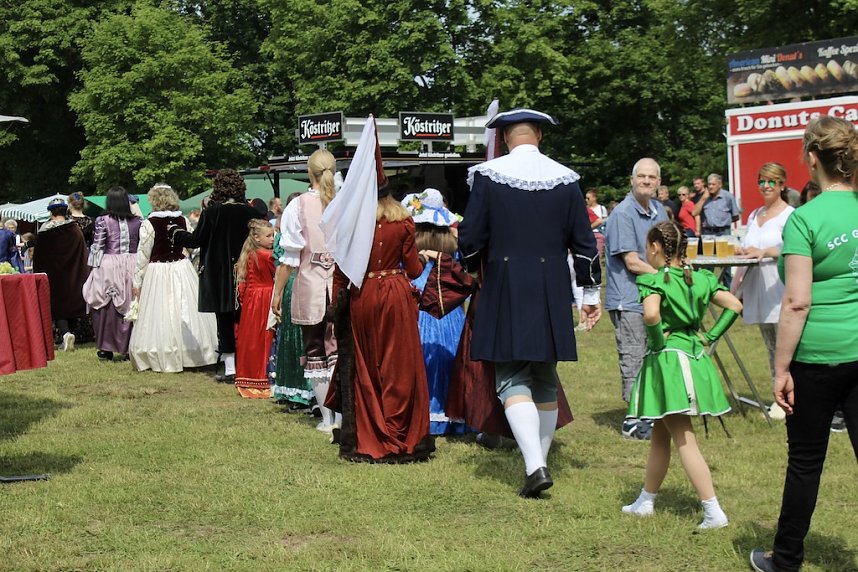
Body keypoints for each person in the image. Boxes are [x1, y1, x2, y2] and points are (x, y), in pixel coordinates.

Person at [458, 108, 601, 497]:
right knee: (543, 376)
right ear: (540, 134)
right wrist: (590, 294)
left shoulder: (488, 176)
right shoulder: (566, 179)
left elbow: (470, 237)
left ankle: (535, 465)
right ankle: (537, 462)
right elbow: (585, 245)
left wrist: (472, 268)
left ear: (505, 137)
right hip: (551, 285)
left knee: (511, 376)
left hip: (504, 283)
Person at [750, 116, 858, 572]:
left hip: (815, 359)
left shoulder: (805, 219)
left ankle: (786, 559)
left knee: (806, 462)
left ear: (812, 158)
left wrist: (780, 370)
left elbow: (796, 303)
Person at [622, 221, 741, 530]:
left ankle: (713, 510)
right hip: (693, 357)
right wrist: (709, 336)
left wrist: (657, 344)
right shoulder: (700, 278)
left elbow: (651, 314)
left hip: (671, 364)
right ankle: (646, 500)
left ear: (655, 247)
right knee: (660, 435)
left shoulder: (654, 280)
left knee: (684, 438)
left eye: (647, 247)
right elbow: (734, 304)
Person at [331, 184, 433, 462]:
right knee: (398, 364)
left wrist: (335, 307)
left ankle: (373, 430)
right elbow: (413, 270)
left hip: (363, 295)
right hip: (395, 295)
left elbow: (340, 272)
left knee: (368, 362)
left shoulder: (353, 224)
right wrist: (422, 258)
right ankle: (398, 428)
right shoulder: (403, 222)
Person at [170, 169, 263, 381]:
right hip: (246, 272)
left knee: (224, 320)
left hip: (218, 275)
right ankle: (249, 364)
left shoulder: (212, 213)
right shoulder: (251, 213)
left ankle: (230, 368)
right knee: (246, 319)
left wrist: (175, 233)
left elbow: (195, 240)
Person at [272, 150, 339, 432]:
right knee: (340, 349)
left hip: (311, 285)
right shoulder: (345, 202)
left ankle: (328, 419)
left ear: (309, 172)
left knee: (315, 351)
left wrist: (277, 294)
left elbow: (288, 259)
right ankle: (343, 417)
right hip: (342, 286)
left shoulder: (297, 206)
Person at [604, 158, 669, 440]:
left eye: (651, 177)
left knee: (654, 355)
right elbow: (631, 261)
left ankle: (650, 412)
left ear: (658, 182)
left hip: (653, 295)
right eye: (641, 176)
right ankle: (632, 420)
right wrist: (665, 276)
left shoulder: (659, 210)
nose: (646, 181)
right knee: (633, 356)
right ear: (632, 180)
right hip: (629, 298)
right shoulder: (623, 213)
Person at [402, 189, 470, 436]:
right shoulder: (452, 246)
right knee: (451, 357)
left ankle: (424, 411)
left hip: (420, 302)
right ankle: (453, 412)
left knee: (420, 357)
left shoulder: (410, 245)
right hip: (449, 307)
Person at [130, 184, 217, 372]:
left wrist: (137, 280)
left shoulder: (149, 223)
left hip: (158, 270)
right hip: (181, 267)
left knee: (162, 311)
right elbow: (192, 245)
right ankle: (189, 351)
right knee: (184, 308)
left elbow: (143, 254)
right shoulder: (182, 219)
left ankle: (164, 350)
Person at [735, 163, 794, 420]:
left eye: (772, 181)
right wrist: (744, 250)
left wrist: (766, 251)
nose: (766, 186)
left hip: (779, 287)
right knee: (770, 346)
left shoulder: (790, 215)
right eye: (762, 181)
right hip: (757, 287)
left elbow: (793, 248)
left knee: (786, 348)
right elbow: (750, 244)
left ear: (782, 184)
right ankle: (778, 397)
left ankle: (791, 398)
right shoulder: (754, 215)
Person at [82, 186, 142, 361]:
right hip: (133, 263)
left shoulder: (103, 220)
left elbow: (98, 245)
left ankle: (106, 347)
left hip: (109, 264)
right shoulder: (138, 221)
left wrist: (92, 268)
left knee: (105, 305)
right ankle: (129, 347)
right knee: (131, 303)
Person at [32, 198, 90, 351]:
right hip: (72, 275)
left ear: (51, 212)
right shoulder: (74, 229)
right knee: (71, 303)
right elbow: (82, 252)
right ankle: (71, 334)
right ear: (65, 210)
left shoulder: (45, 231)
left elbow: (39, 256)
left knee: (57, 305)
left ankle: (65, 334)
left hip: (53, 276)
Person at [271, 192, 310, 407]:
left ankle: (299, 390)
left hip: (296, 281)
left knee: (294, 336)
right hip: (315, 280)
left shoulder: (286, 235)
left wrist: (277, 293)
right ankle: (310, 391)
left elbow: (285, 264)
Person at [234, 219, 276, 398]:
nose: (272, 239)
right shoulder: (267, 256)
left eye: (273, 235)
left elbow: (242, 284)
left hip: (252, 299)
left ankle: (247, 376)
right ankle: (262, 377)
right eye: (269, 236)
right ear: (257, 238)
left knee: (250, 338)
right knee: (264, 337)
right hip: (265, 297)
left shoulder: (248, 254)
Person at [585, 188, 608, 259]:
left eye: (588, 198)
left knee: (597, 257)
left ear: (594, 198)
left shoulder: (601, 208)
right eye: (586, 198)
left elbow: (605, 221)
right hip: (587, 235)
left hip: (598, 234)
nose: (586, 200)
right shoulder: (585, 209)